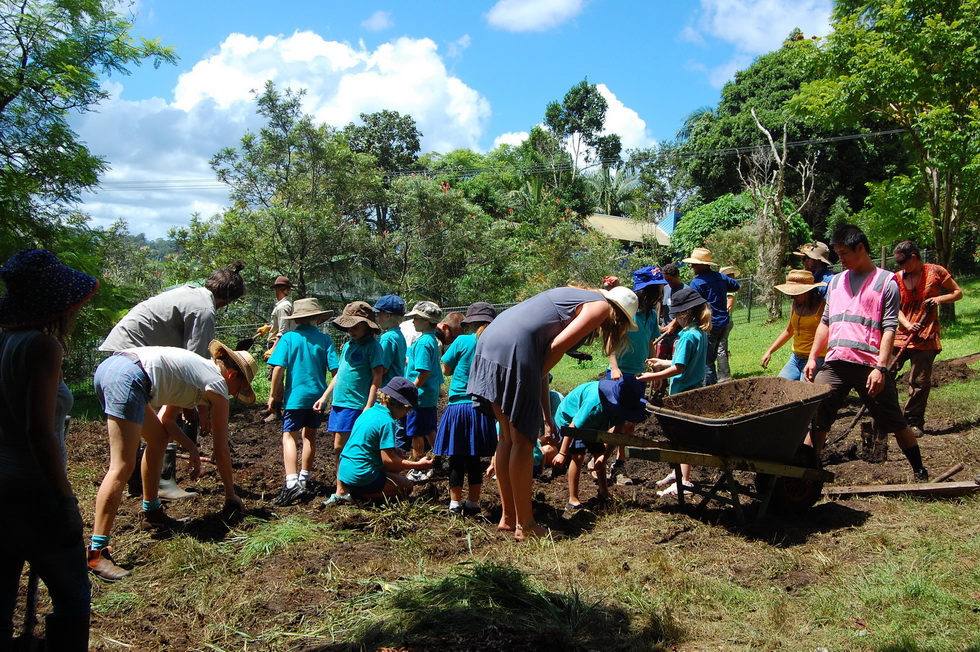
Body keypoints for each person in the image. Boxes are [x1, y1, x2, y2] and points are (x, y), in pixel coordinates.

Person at [467, 284, 637, 541]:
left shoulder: (572, 296)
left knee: (507, 439)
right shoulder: (600, 306)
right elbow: (556, 347)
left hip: (491, 340)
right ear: (619, 316)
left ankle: (508, 518)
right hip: (514, 348)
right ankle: (525, 526)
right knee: (523, 442)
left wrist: (546, 416)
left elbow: (542, 356)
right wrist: (529, 382)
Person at [89, 341, 256, 581]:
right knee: (122, 466)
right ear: (232, 375)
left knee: (157, 439)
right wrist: (231, 494)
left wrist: (192, 448)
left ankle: (152, 512)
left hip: (113, 368)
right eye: (240, 387)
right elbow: (221, 451)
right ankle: (97, 552)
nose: (235, 395)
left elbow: (166, 421)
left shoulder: (196, 372)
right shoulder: (217, 385)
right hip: (129, 377)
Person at [0, 249, 98, 650]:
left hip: (2, 486)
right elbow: (39, 432)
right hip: (34, 489)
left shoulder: (5, 341)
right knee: (73, 596)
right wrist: (65, 501)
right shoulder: (44, 347)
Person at [99, 262, 247, 500]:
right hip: (135, 357)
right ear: (228, 300)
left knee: (147, 425)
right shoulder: (205, 310)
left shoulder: (191, 293)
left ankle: (140, 483)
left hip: (123, 353)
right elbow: (198, 363)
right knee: (160, 422)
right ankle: (163, 481)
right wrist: (199, 408)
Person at [804, 225, 929, 481]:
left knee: (894, 419)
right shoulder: (836, 282)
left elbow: (889, 327)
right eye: (838, 254)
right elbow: (826, 322)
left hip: (868, 366)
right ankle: (804, 474)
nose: (841, 259)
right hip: (835, 363)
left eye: (844, 253)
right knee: (817, 419)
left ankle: (919, 470)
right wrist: (812, 357)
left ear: (860, 248)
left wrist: (881, 368)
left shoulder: (886, 282)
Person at [638, 288, 712, 495]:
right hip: (694, 389)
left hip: (684, 393)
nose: (675, 317)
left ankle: (684, 480)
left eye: (677, 313)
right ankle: (678, 472)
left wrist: (651, 376)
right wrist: (662, 362)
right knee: (680, 436)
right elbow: (684, 362)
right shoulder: (698, 332)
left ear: (685, 313)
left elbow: (679, 368)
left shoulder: (687, 337)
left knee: (684, 438)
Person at [266, 298, 338, 506]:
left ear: (297, 320)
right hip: (317, 398)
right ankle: (305, 478)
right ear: (317, 318)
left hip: (295, 398)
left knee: (289, 437)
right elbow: (336, 371)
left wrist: (273, 395)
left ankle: (291, 482)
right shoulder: (325, 340)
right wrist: (327, 395)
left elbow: (278, 367)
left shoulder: (289, 338)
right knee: (310, 438)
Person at [892, 240, 963, 437]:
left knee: (919, 381)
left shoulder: (936, 272)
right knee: (885, 372)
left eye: (902, 262)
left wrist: (939, 299)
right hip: (901, 336)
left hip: (927, 335)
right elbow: (893, 308)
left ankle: (914, 421)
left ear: (914, 258)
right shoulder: (896, 279)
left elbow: (958, 293)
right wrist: (906, 324)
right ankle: (891, 417)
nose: (900, 267)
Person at [432, 302, 498, 516]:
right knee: (474, 458)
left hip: (459, 406)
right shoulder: (495, 344)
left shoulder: (462, 340)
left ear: (469, 323)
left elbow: (447, 369)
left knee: (457, 458)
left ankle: (454, 504)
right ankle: (473, 502)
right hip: (483, 406)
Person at [315, 302, 384, 506]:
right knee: (339, 447)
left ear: (367, 326)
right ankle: (342, 490)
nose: (351, 330)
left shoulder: (373, 346)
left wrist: (368, 405)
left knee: (349, 447)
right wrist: (325, 397)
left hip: (357, 405)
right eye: (348, 326)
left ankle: (350, 489)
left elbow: (377, 376)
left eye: (356, 326)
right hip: (340, 403)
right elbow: (339, 375)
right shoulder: (347, 345)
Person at [551, 377, 648, 510]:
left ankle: (604, 492)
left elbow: (616, 435)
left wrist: (605, 457)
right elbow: (573, 427)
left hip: (594, 424)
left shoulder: (623, 407)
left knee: (599, 453)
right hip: (570, 418)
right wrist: (562, 453)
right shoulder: (594, 406)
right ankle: (573, 499)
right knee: (578, 457)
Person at [606, 265, 665, 479]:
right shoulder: (626, 310)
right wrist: (614, 367)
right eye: (655, 289)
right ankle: (600, 460)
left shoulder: (650, 315)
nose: (659, 294)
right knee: (617, 423)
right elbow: (610, 341)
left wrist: (655, 368)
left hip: (639, 374)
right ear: (643, 291)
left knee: (630, 423)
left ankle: (619, 462)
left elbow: (650, 342)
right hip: (620, 375)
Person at [336, 378, 432, 500]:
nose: (406, 414)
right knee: (407, 486)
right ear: (398, 404)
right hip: (361, 476)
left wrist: (394, 452)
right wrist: (418, 465)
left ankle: (354, 491)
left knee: (395, 471)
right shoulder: (387, 422)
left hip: (344, 473)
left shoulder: (368, 412)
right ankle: (360, 496)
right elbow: (388, 461)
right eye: (406, 409)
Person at [682, 248, 740, 386]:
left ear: (703, 265)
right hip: (723, 323)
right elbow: (736, 286)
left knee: (706, 360)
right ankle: (719, 382)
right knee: (714, 355)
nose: (692, 267)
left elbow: (692, 305)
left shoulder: (697, 283)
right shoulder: (721, 277)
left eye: (695, 264)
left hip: (708, 325)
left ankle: (708, 389)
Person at [760, 270, 827, 381]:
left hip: (815, 358)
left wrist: (813, 358)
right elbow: (789, 330)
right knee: (780, 386)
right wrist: (770, 351)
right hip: (795, 358)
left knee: (804, 392)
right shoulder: (795, 305)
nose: (792, 297)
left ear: (807, 291)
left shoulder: (823, 306)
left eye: (795, 293)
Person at [403, 301, 445, 464]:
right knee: (428, 429)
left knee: (416, 432)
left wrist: (412, 389)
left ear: (426, 321)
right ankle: (440, 459)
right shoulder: (431, 340)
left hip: (419, 396)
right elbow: (435, 368)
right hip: (428, 395)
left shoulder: (423, 343)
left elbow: (425, 371)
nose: (413, 321)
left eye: (416, 318)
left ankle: (417, 464)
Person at [373, 295, 408, 385]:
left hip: (386, 388)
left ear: (387, 316)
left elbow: (382, 369)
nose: (377, 319)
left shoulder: (387, 338)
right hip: (396, 386)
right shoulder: (399, 335)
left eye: (378, 315)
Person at [715, 266, 739, 383]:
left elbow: (728, 307)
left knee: (721, 348)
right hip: (726, 321)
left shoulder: (730, 291)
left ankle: (724, 376)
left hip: (725, 322)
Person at [657, 263, 686, 359]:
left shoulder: (686, 291)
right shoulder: (665, 289)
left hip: (679, 333)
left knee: (674, 361)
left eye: (670, 280)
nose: (668, 283)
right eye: (666, 281)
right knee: (658, 360)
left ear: (677, 276)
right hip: (664, 333)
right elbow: (661, 310)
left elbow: (685, 312)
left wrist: (673, 325)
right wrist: (660, 327)